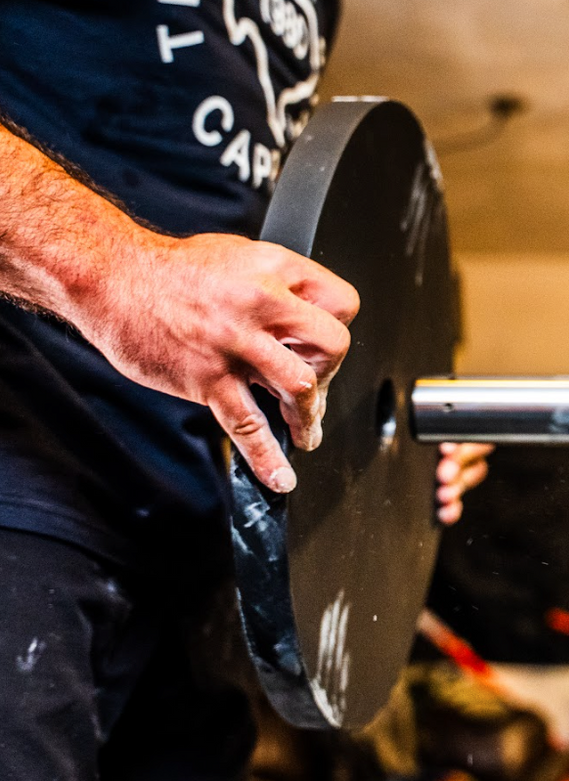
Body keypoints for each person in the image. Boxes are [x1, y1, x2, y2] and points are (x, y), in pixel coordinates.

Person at [0, 2, 489, 778]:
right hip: (23, 472)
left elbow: (242, 250)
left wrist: (383, 416)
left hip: (195, 541)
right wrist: (117, 269)